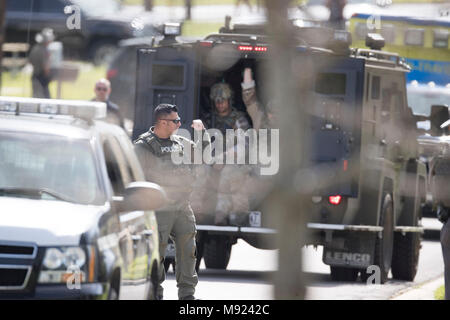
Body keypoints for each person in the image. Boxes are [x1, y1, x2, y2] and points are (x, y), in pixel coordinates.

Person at [134, 104, 209, 300]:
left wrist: (202, 134)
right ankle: (154, 294)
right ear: (163, 122)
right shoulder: (144, 146)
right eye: (176, 120)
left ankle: (187, 296)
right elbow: (134, 176)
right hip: (158, 209)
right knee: (156, 255)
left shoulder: (181, 143)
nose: (179, 123)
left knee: (188, 252)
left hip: (182, 207)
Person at [29, 28, 54, 98]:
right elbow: (46, 67)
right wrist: (48, 76)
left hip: (35, 77)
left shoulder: (35, 48)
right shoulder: (44, 51)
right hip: (41, 78)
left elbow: (30, 61)